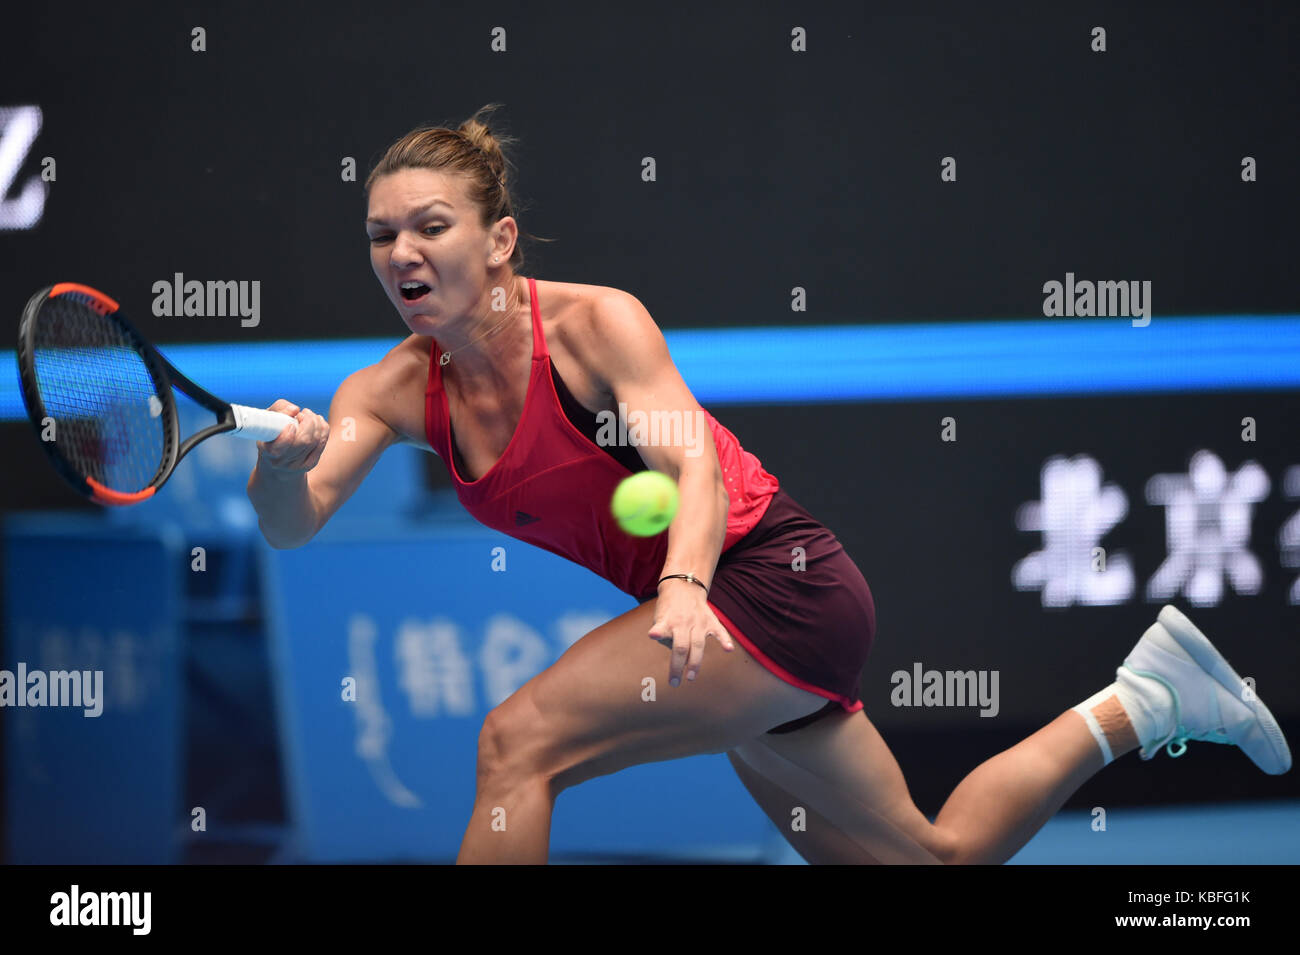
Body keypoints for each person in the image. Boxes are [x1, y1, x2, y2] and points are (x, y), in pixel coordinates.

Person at [246, 104, 1291, 864]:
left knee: (517, 743)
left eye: (431, 224)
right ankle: (1145, 699)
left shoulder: (595, 325)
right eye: (383, 234)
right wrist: (278, 470)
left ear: (500, 239)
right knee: (934, 860)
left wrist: (686, 585)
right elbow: (295, 525)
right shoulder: (386, 390)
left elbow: (689, 460)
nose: (402, 252)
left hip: (771, 584)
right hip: (718, 635)